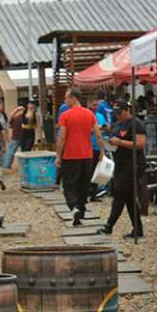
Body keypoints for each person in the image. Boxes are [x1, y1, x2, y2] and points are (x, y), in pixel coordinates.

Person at [98, 100, 147, 239]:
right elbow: (115, 132)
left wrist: (120, 142)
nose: (117, 116)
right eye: (115, 113)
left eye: (119, 113)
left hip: (133, 163)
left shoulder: (136, 124)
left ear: (127, 110)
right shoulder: (118, 124)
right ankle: (138, 229)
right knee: (128, 197)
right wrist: (107, 131)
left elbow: (141, 144)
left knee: (119, 193)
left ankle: (109, 226)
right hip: (119, 162)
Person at [56, 89, 105, 226]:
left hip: (71, 156)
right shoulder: (90, 114)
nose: (65, 101)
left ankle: (74, 207)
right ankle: (80, 213)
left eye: (66, 98)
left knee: (69, 185)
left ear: (73, 98)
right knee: (84, 185)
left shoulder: (65, 115)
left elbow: (62, 137)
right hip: (87, 155)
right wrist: (102, 150)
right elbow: (98, 134)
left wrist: (58, 155)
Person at [88, 99, 109, 202]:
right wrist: (99, 129)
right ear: (89, 104)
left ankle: (93, 193)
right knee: (89, 170)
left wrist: (106, 127)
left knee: (98, 171)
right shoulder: (87, 115)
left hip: (98, 145)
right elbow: (87, 129)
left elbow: (105, 126)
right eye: (93, 105)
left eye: (97, 105)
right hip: (89, 146)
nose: (95, 107)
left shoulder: (100, 116)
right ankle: (87, 192)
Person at [3, 104, 25, 168]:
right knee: (24, 152)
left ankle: (7, 164)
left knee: (11, 151)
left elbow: (10, 121)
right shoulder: (25, 117)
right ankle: (24, 165)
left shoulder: (16, 118)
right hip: (23, 136)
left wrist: (16, 110)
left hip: (15, 136)